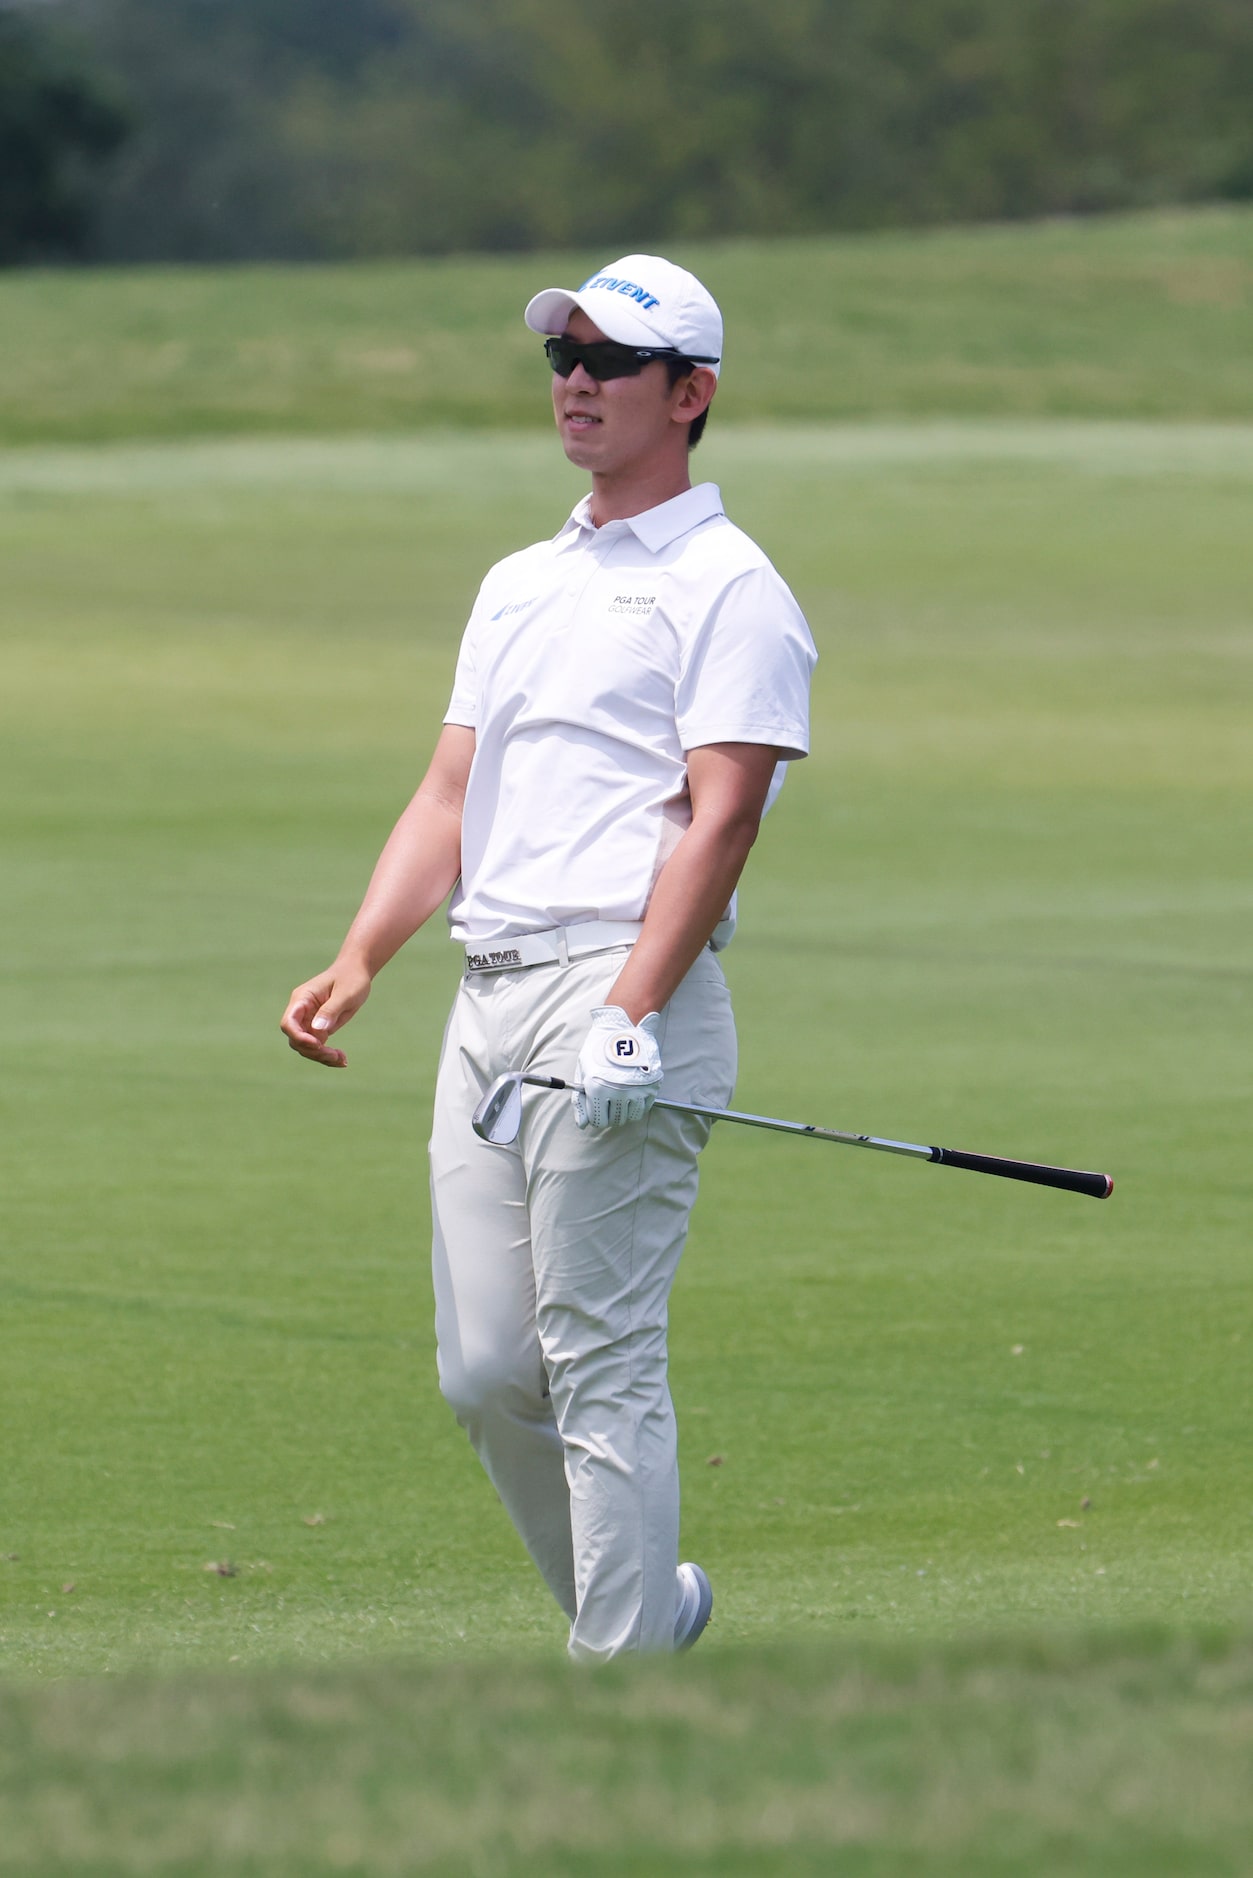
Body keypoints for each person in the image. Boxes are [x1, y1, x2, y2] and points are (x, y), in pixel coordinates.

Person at [281, 254, 816, 1663]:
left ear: (688, 395)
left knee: (596, 1351)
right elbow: (451, 792)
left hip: (624, 994)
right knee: (484, 1369)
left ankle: (619, 1675)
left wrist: (632, 1012)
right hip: (489, 996)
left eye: (608, 361)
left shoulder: (730, 585)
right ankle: (643, 1614)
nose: (575, 381)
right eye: (560, 357)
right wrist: (361, 956)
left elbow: (725, 816)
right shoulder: (520, 578)